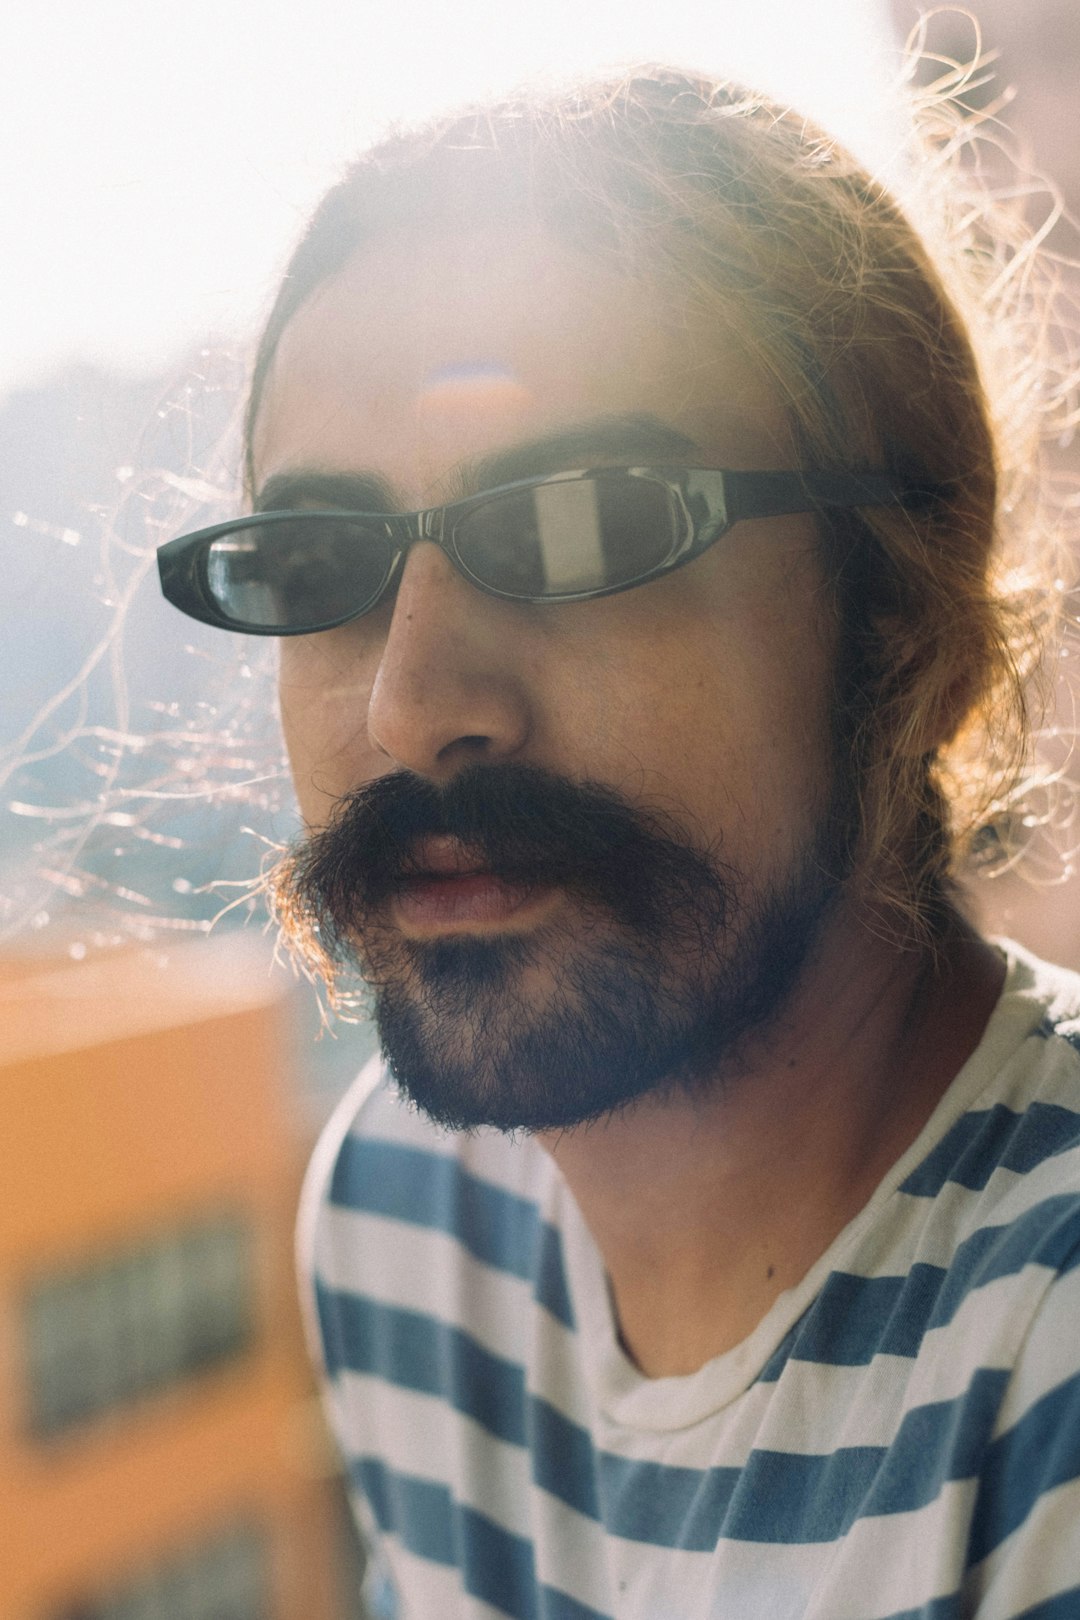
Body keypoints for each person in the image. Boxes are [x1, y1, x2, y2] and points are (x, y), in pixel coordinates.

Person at [157, 67, 1080, 1620]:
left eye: (588, 528)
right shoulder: (401, 1210)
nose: (412, 706)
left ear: (900, 616)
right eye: (317, 563)